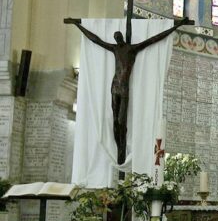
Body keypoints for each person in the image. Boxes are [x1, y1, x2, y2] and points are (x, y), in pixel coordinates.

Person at [65, 17, 192, 164]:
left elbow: (155, 38)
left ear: (122, 38)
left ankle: (121, 151)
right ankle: (119, 150)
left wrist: (176, 26)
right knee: (114, 120)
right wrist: (77, 25)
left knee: (121, 121)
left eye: (118, 37)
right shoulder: (114, 48)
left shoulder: (132, 49)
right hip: (114, 87)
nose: (117, 38)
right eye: (115, 37)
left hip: (124, 89)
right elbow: (95, 40)